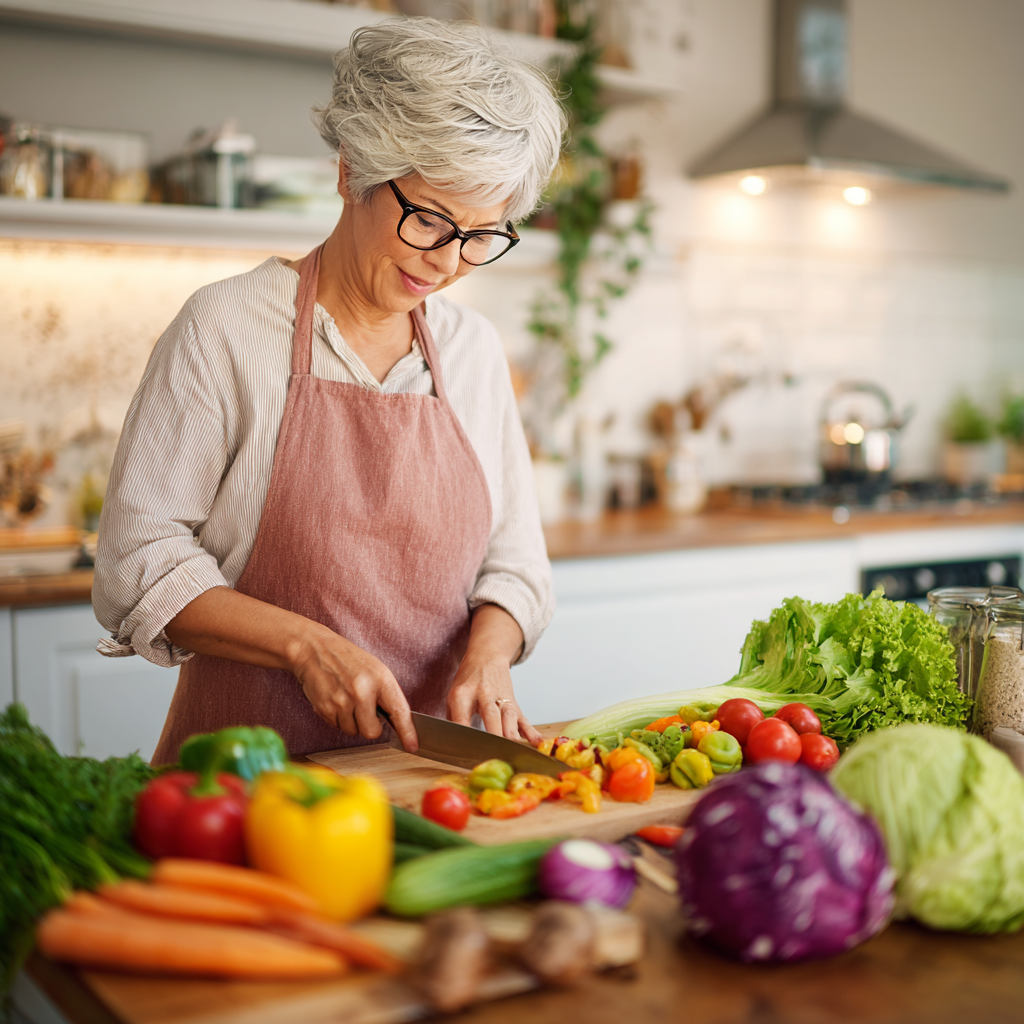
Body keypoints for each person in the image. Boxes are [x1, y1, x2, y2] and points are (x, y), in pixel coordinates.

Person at [92, 18, 564, 761]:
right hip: (244, 780)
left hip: (425, 779)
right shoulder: (227, 327)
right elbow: (136, 558)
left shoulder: (473, 351)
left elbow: (515, 564)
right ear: (352, 174)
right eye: (430, 220)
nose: (448, 263)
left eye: (483, 235)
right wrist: (304, 648)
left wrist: (489, 654)